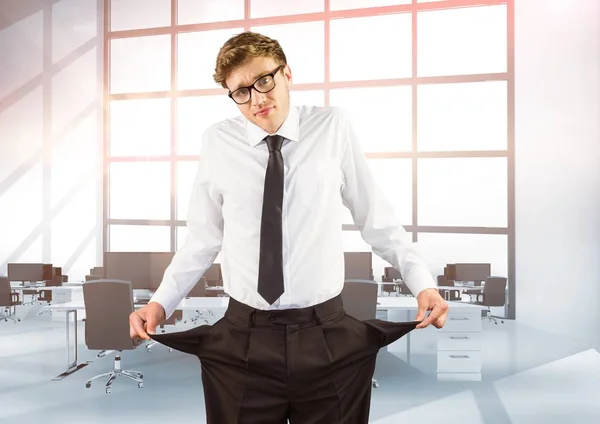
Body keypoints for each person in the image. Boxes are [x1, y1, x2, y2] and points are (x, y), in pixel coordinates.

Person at [129, 31, 449, 423]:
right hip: (243, 338)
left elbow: (375, 219)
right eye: (241, 91)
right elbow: (203, 237)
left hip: (326, 335)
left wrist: (423, 283)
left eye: (264, 80)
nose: (258, 98)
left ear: (287, 73)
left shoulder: (333, 126)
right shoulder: (217, 141)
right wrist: (161, 303)